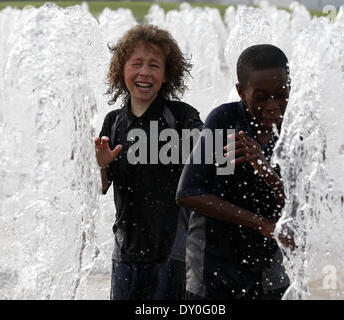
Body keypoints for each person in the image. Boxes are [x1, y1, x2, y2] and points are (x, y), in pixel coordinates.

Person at [175, 44, 295, 300]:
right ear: (241, 92)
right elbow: (188, 193)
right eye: (261, 97)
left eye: (281, 95)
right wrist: (261, 223)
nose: (273, 106)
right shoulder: (226, 123)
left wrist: (266, 171)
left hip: (269, 266)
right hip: (213, 265)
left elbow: (300, 207)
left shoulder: (294, 131)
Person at [94, 24, 203, 300]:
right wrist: (102, 165)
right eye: (137, 64)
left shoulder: (180, 117)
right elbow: (101, 187)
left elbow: (206, 154)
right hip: (126, 249)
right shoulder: (113, 122)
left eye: (154, 65)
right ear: (122, 70)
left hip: (172, 249)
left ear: (166, 74)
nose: (145, 73)